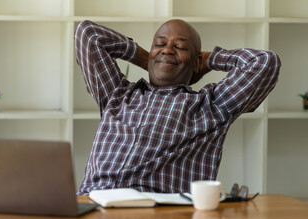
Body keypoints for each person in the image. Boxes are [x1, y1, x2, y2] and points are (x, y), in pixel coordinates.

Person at [75, 19, 281, 195]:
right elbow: (88, 33)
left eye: (180, 47)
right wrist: (148, 59)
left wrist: (207, 61)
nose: (167, 49)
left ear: (195, 60)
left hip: (155, 211)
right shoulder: (116, 94)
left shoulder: (212, 105)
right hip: (92, 201)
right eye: (160, 44)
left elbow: (264, 62)